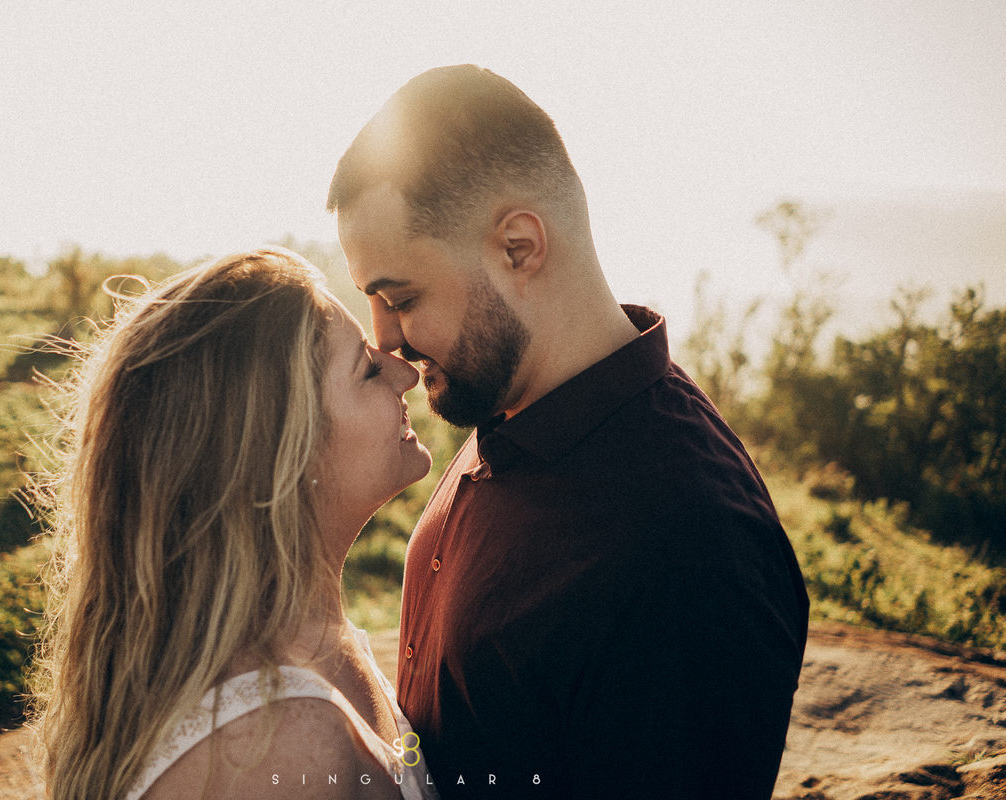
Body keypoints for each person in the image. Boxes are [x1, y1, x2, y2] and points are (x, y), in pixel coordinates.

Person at [327, 65, 810, 798]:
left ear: (519, 247)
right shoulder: (507, 401)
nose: (384, 339)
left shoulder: (688, 553)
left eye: (400, 297)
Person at [32, 248, 442, 800]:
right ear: (280, 455)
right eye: (367, 369)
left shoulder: (309, 649)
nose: (405, 373)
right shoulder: (278, 751)